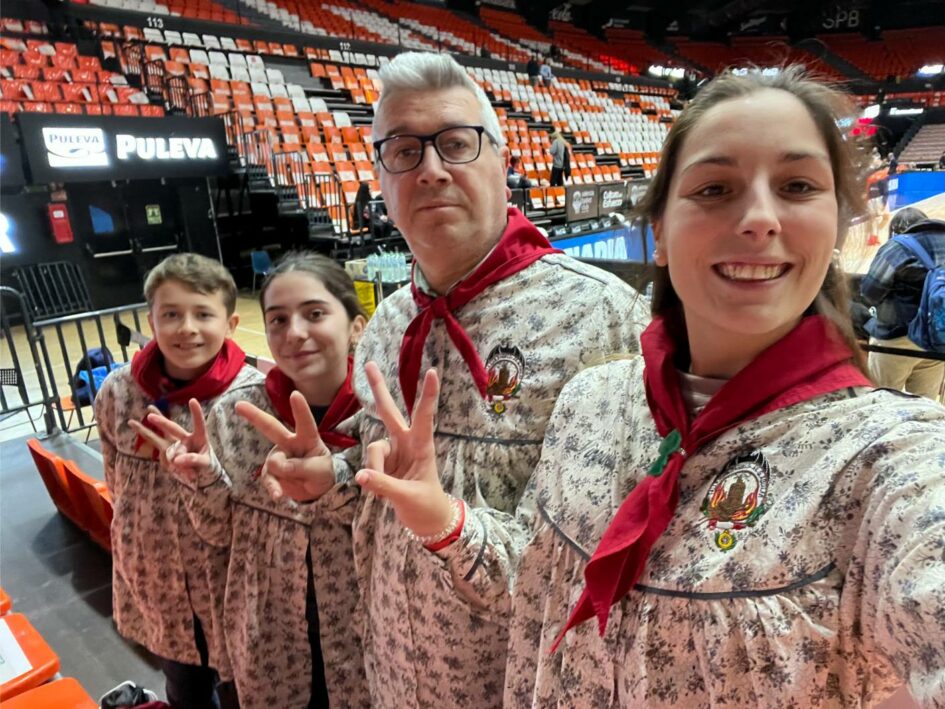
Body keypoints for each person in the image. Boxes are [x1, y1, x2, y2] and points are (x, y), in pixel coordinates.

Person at [361, 66, 945, 706]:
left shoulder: (889, 462)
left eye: (797, 185)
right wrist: (436, 519)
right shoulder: (591, 403)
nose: (757, 218)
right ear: (659, 231)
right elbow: (532, 585)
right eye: (716, 187)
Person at [255, 51, 648, 708]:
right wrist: (334, 479)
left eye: (455, 144)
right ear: (380, 178)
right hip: (393, 678)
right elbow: (387, 493)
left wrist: (447, 527)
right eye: (404, 150)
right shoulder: (384, 324)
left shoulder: (599, 318)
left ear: (502, 162)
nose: (431, 169)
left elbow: (592, 566)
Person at [132, 253, 370, 709]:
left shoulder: (382, 414)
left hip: (365, 634)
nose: (294, 332)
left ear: (356, 325)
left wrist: (336, 483)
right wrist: (202, 483)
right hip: (271, 634)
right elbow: (219, 531)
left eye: (315, 313)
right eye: (277, 319)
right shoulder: (239, 412)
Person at [97, 253, 259, 709]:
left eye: (202, 314)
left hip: (231, 583)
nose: (186, 327)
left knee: (244, 691)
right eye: (170, 314)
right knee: (184, 689)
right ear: (150, 320)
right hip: (160, 578)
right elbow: (116, 479)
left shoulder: (252, 397)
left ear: (230, 323)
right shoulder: (118, 390)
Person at [861, 207, 945, 400]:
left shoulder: (896, 247)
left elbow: (870, 291)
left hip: (897, 337)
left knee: (883, 400)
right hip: (937, 337)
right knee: (925, 405)